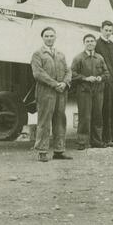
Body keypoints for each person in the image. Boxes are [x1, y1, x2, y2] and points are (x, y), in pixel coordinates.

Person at [30, 27, 72, 162]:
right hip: (46, 93)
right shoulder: (37, 54)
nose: (49, 38)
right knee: (44, 121)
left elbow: (68, 71)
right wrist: (55, 84)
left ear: (55, 37)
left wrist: (65, 83)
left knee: (60, 120)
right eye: (47, 36)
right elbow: (38, 73)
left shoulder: (60, 54)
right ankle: (42, 151)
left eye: (51, 36)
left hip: (61, 93)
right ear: (42, 38)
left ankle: (59, 151)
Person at [71, 34, 110, 149]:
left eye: (92, 41)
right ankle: (82, 142)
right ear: (84, 43)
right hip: (84, 91)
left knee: (98, 116)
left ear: (95, 43)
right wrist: (85, 78)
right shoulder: (78, 58)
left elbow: (106, 73)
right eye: (87, 41)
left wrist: (100, 78)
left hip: (98, 91)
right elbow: (72, 74)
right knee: (85, 117)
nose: (90, 43)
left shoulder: (100, 58)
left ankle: (97, 141)